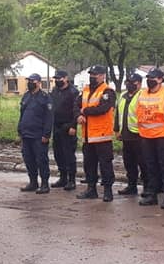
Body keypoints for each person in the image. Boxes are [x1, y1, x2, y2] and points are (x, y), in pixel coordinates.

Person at [137, 68, 164, 209]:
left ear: (161, 79)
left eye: (154, 78)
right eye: (149, 77)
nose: (150, 80)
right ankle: (152, 195)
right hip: (146, 136)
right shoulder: (142, 93)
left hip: (163, 136)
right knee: (151, 167)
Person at [77, 65, 117, 202]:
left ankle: (107, 191)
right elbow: (76, 105)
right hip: (87, 136)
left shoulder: (108, 91)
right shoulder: (86, 90)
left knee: (105, 164)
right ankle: (91, 189)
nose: (93, 76)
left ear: (103, 75)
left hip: (102, 136)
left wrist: (85, 111)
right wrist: (78, 115)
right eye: (91, 74)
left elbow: (103, 109)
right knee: (89, 164)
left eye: (96, 74)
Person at [18, 74, 54, 194]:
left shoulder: (45, 97)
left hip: (39, 135)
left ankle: (44, 184)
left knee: (41, 160)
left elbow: (49, 118)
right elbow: (22, 114)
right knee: (28, 159)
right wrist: (20, 129)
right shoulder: (26, 96)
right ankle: (33, 182)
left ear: (38, 83)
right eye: (28, 81)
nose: (30, 83)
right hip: (26, 134)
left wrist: (46, 134)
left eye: (32, 81)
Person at [114, 73, 149, 196]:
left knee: (143, 163)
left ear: (139, 83)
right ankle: (131, 186)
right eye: (127, 82)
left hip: (139, 135)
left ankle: (147, 187)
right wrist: (117, 130)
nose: (129, 84)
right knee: (129, 163)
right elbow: (118, 114)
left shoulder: (143, 96)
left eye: (132, 82)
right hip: (126, 135)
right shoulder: (123, 96)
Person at [50, 70, 80, 191]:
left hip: (68, 126)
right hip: (56, 125)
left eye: (60, 78)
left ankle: (71, 180)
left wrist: (73, 126)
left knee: (69, 154)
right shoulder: (54, 91)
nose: (58, 81)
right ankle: (63, 177)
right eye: (56, 79)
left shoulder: (73, 92)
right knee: (58, 153)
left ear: (66, 78)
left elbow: (76, 110)